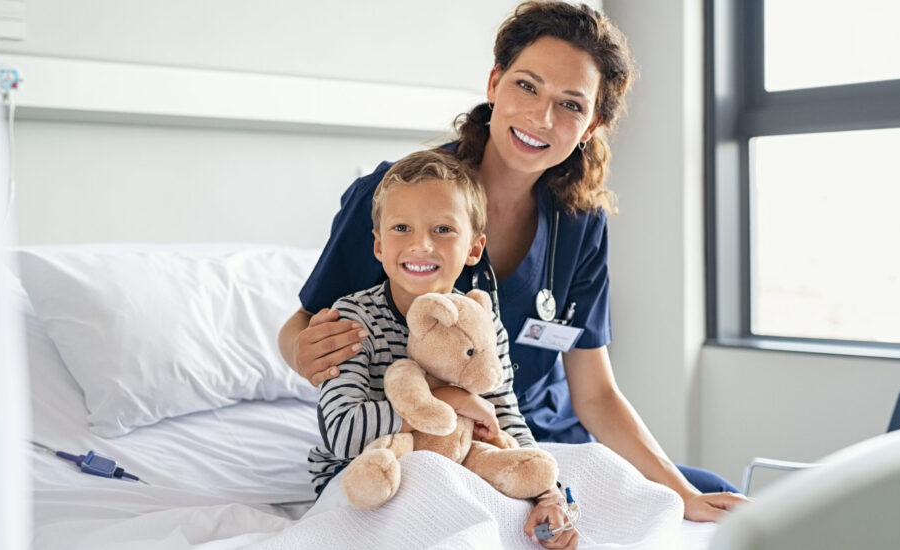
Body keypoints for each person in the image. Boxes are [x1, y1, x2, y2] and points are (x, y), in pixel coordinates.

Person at [280, 0, 747, 535]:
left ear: (592, 124)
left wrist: (681, 492)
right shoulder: (399, 199)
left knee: (708, 488)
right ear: (495, 82)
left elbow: (593, 394)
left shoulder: (579, 223)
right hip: (429, 438)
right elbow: (301, 329)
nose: (541, 118)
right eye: (527, 86)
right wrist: (303, 350)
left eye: (570, 104)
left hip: (539, 440)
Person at [304, 149, 575, 544]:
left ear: (474, 249)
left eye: (443, 230)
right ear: (378, 246)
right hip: (364, 472)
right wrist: (448, 401)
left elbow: (505, 416)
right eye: (401, 229)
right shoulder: (354, 320)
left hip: (460, 458)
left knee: (528, 500)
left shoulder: (482, 321)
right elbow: (342, 432)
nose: (422, 245)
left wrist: (548, 492)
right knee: (434, 491)